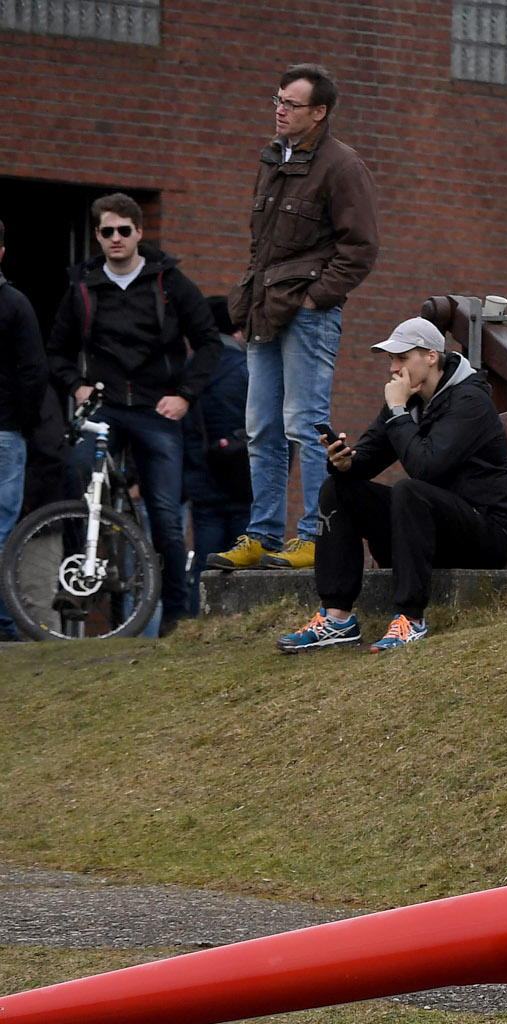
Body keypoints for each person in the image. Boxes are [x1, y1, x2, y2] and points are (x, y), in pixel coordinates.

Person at [210, 63, 381, 572]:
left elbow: (362, 247)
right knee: (261, 427)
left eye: (292, 103)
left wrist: (316, 298)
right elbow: (261, 246)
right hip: (265, 313)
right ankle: (261, 536)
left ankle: (313, 536)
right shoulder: (272, 159)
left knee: (305, 426)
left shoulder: (342, 166)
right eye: (277, 100)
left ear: (320, 112)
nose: (280, 109)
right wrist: (248, 307)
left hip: (307, 316)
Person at [278, 316, 507, 654]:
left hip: (487, 532)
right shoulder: (408, 400)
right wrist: (345, 462)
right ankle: (337, 618)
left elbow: (426, 468)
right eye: (392, 360)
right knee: (338, 488)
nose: (394, 369)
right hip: (430, 527)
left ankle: (410, 619)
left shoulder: (469, 402)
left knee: (410, 490)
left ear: (431, 357)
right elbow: (371, 457)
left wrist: (397, 410)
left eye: (401, 358)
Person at [45, 194, 223, 631]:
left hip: (155, 409)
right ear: (97, 236)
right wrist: (76, 385)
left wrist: (184, 395)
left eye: (125, 230)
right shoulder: (82, 288)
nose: (116, 238)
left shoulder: (170, 282)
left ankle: (177, 615)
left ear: (140, 233)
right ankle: (75, 583)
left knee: (163, 510)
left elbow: (209, 344)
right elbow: (58, 353)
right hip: (104, 406)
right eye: (107, 231)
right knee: (75, 475)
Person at [182, 299, 253, 609]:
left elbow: (181, 431)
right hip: (246, 483)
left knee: (205, 566)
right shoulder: (249, 371)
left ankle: (199, 624)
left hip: (203, 483)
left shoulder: (190, 372)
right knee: (248, 568)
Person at [0, 219, 46, 641]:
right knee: (1, 532)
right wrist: (27, 423)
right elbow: (34, 373)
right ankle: (4, 626)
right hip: (5, 431)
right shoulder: (14, 304)